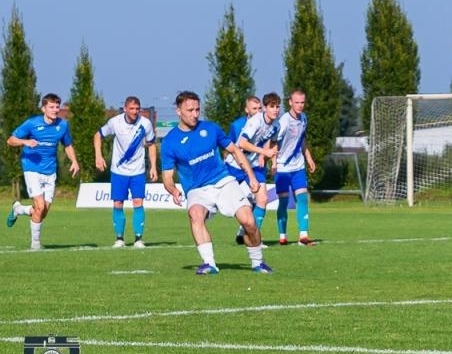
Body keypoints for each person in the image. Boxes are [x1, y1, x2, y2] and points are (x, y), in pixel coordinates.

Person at [158, 90, 273, 275]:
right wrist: (172, 190)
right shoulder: (170, 142)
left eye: (197, 109)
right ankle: (209, 264)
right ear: (178, 111)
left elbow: (235, 150)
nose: (195, 114)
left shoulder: (211, 129)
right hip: (197, 190)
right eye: (190, 110)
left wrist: (251, 176)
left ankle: (258, 262)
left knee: (249, 222)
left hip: (223, 182)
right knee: (195, 214)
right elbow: (167, 176)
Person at [6, 93, 82, 250]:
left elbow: (67, 144)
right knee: (40, 207)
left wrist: (74, 161)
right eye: (51, 107)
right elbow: (10, 140)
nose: (55, 110)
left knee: (43, 211)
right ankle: (35, 244)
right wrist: (25, 141)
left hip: (50, 171)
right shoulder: (31, 124)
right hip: (32, 168)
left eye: (57, 107)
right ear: (43, 109)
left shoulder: (63, 125)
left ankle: (19, 209)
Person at [92, 95, 158, 248]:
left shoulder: (145, 124)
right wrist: (98, 156)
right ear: (125, 109)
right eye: (132, 109)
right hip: (118, 171)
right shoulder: (115, 122)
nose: (135, 112)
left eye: (137, 109)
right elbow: (98, 135)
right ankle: (119, 239)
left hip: (138, 171)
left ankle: (138, 239)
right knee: (118, 203)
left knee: (138, 202)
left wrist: (153, 166)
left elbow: (152, 144)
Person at [227, 94, 281, 244]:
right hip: (236, 164)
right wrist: (264, 152)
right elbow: (242, 144)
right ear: (265, 108)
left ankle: (253, 238)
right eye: (272, 106)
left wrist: (273, 161)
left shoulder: (276, 125)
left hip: (255, 166)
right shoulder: (255, 121)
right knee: (225, 202)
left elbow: (273, 143)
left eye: (277, 107)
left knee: (262, 199)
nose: (275, 110)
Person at [272, 89, 317, 246]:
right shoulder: (284, 121)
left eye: (302, 102)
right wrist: (272, 162)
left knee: (302, 198)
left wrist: (309, 158)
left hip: (298, 166)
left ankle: (303, 236)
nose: (300, 105)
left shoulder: (304, 118)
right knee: (283, 202)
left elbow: (302, 139)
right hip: (283, 168)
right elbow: (273, 143)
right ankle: (282, 236)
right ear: (290, 102)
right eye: (296, 102)